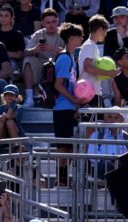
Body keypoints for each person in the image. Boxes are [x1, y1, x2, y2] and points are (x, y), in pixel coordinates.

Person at [52, 22, 87, 187]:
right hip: (62, 108)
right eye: (80, 36)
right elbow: (58, 84)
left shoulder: (70, 57)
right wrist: (74, 101)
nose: (82, 38)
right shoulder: (65, 58)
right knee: (63, 146)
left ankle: (65, 178)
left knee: (69, 145)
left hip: (69, 108)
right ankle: (61, 178)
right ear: (71, 38)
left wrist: (76, 105)